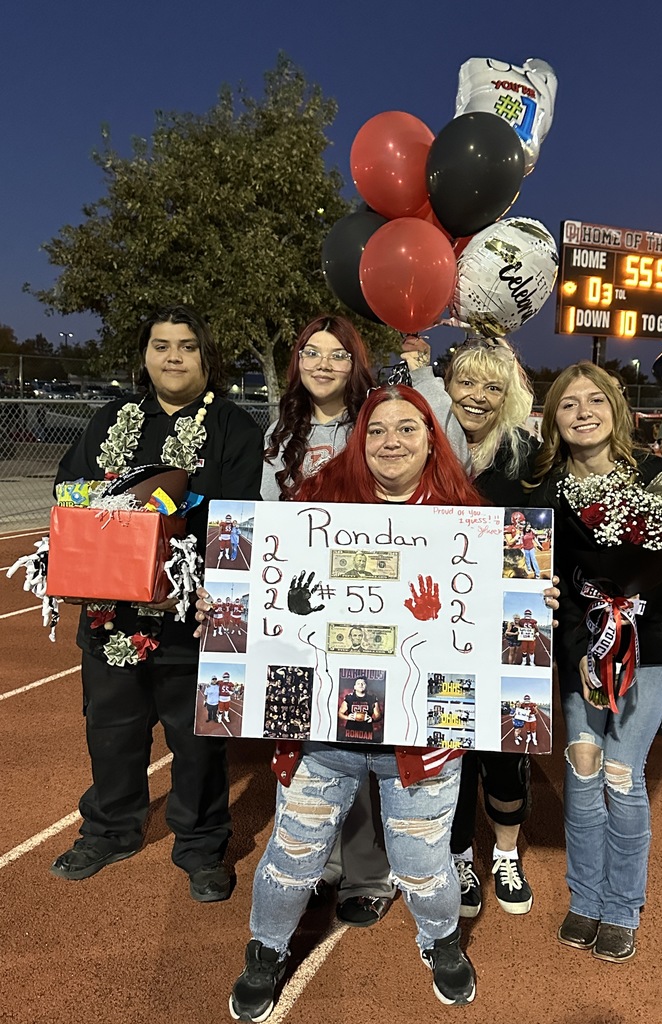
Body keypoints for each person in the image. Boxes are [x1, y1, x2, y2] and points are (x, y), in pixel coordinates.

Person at [213, 385, 485, 1019]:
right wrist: (230, 606)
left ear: (432, 438)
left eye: (407, 428)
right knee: (292, 853)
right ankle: (265, 949)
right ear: (359, 440)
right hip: (320, 733)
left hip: (421, 739)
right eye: (376, 429)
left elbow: (477, 630)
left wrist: (525, 598)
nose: (391, 441)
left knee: (423, 862)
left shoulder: (468, 521)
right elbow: (267, 597)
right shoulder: (314, 509)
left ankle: (442, 940)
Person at [49, 304, 263, 902]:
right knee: (110, 732)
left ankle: (201, 845)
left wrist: (195, 583)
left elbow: (240, 517)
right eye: (161, 345)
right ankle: (109, 829)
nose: (173, 357)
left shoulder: (234, 428)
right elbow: (69, 490)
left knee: (198, 742)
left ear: (206, 356)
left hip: (190, 621)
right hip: (111, 616)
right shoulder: (110, 419)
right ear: (145, 356)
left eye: (187, 346)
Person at [524, 361, 662, 963]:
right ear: (554, 420)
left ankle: (622, 907)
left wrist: (634, 600)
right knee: (581, 764)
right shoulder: (546, 494)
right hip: (580, 645)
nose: (583, 412)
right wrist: (550, 600)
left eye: (595, 400)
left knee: (620, 771)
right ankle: (585, 898)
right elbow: (543, 575)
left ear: (616, 409)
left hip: (652, 646)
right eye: (568, 403)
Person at [404, 335, 549, 920]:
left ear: (509, 393)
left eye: (493, 386)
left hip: (506, 626)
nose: (478, 396)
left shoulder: (525, 454)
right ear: (447, 384)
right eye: (466, 381)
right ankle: (461, 855)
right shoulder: (423, 444)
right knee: (449, 742)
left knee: (505, 750)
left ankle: (507, 854)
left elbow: (544, 534)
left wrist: (548, 584)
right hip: (437, 624)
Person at [260, 314, 397, 926]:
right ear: (297, 362)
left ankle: (367, 872)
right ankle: (319, 864)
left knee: (361, 731)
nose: (323, 364)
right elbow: (268, 523)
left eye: (337, 354)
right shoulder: (278, 434)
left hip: (364, 598)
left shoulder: (375, 423)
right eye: (311, 353)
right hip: (301, 602)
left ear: (355, 363)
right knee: (301, 733)